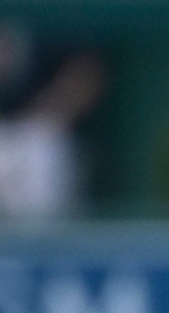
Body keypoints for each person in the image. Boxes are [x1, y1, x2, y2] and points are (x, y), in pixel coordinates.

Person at [0, 24, 103, 222]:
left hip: (41, 130)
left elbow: (87, 71)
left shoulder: (58, 22)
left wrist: (49, 116)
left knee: (41, 149)